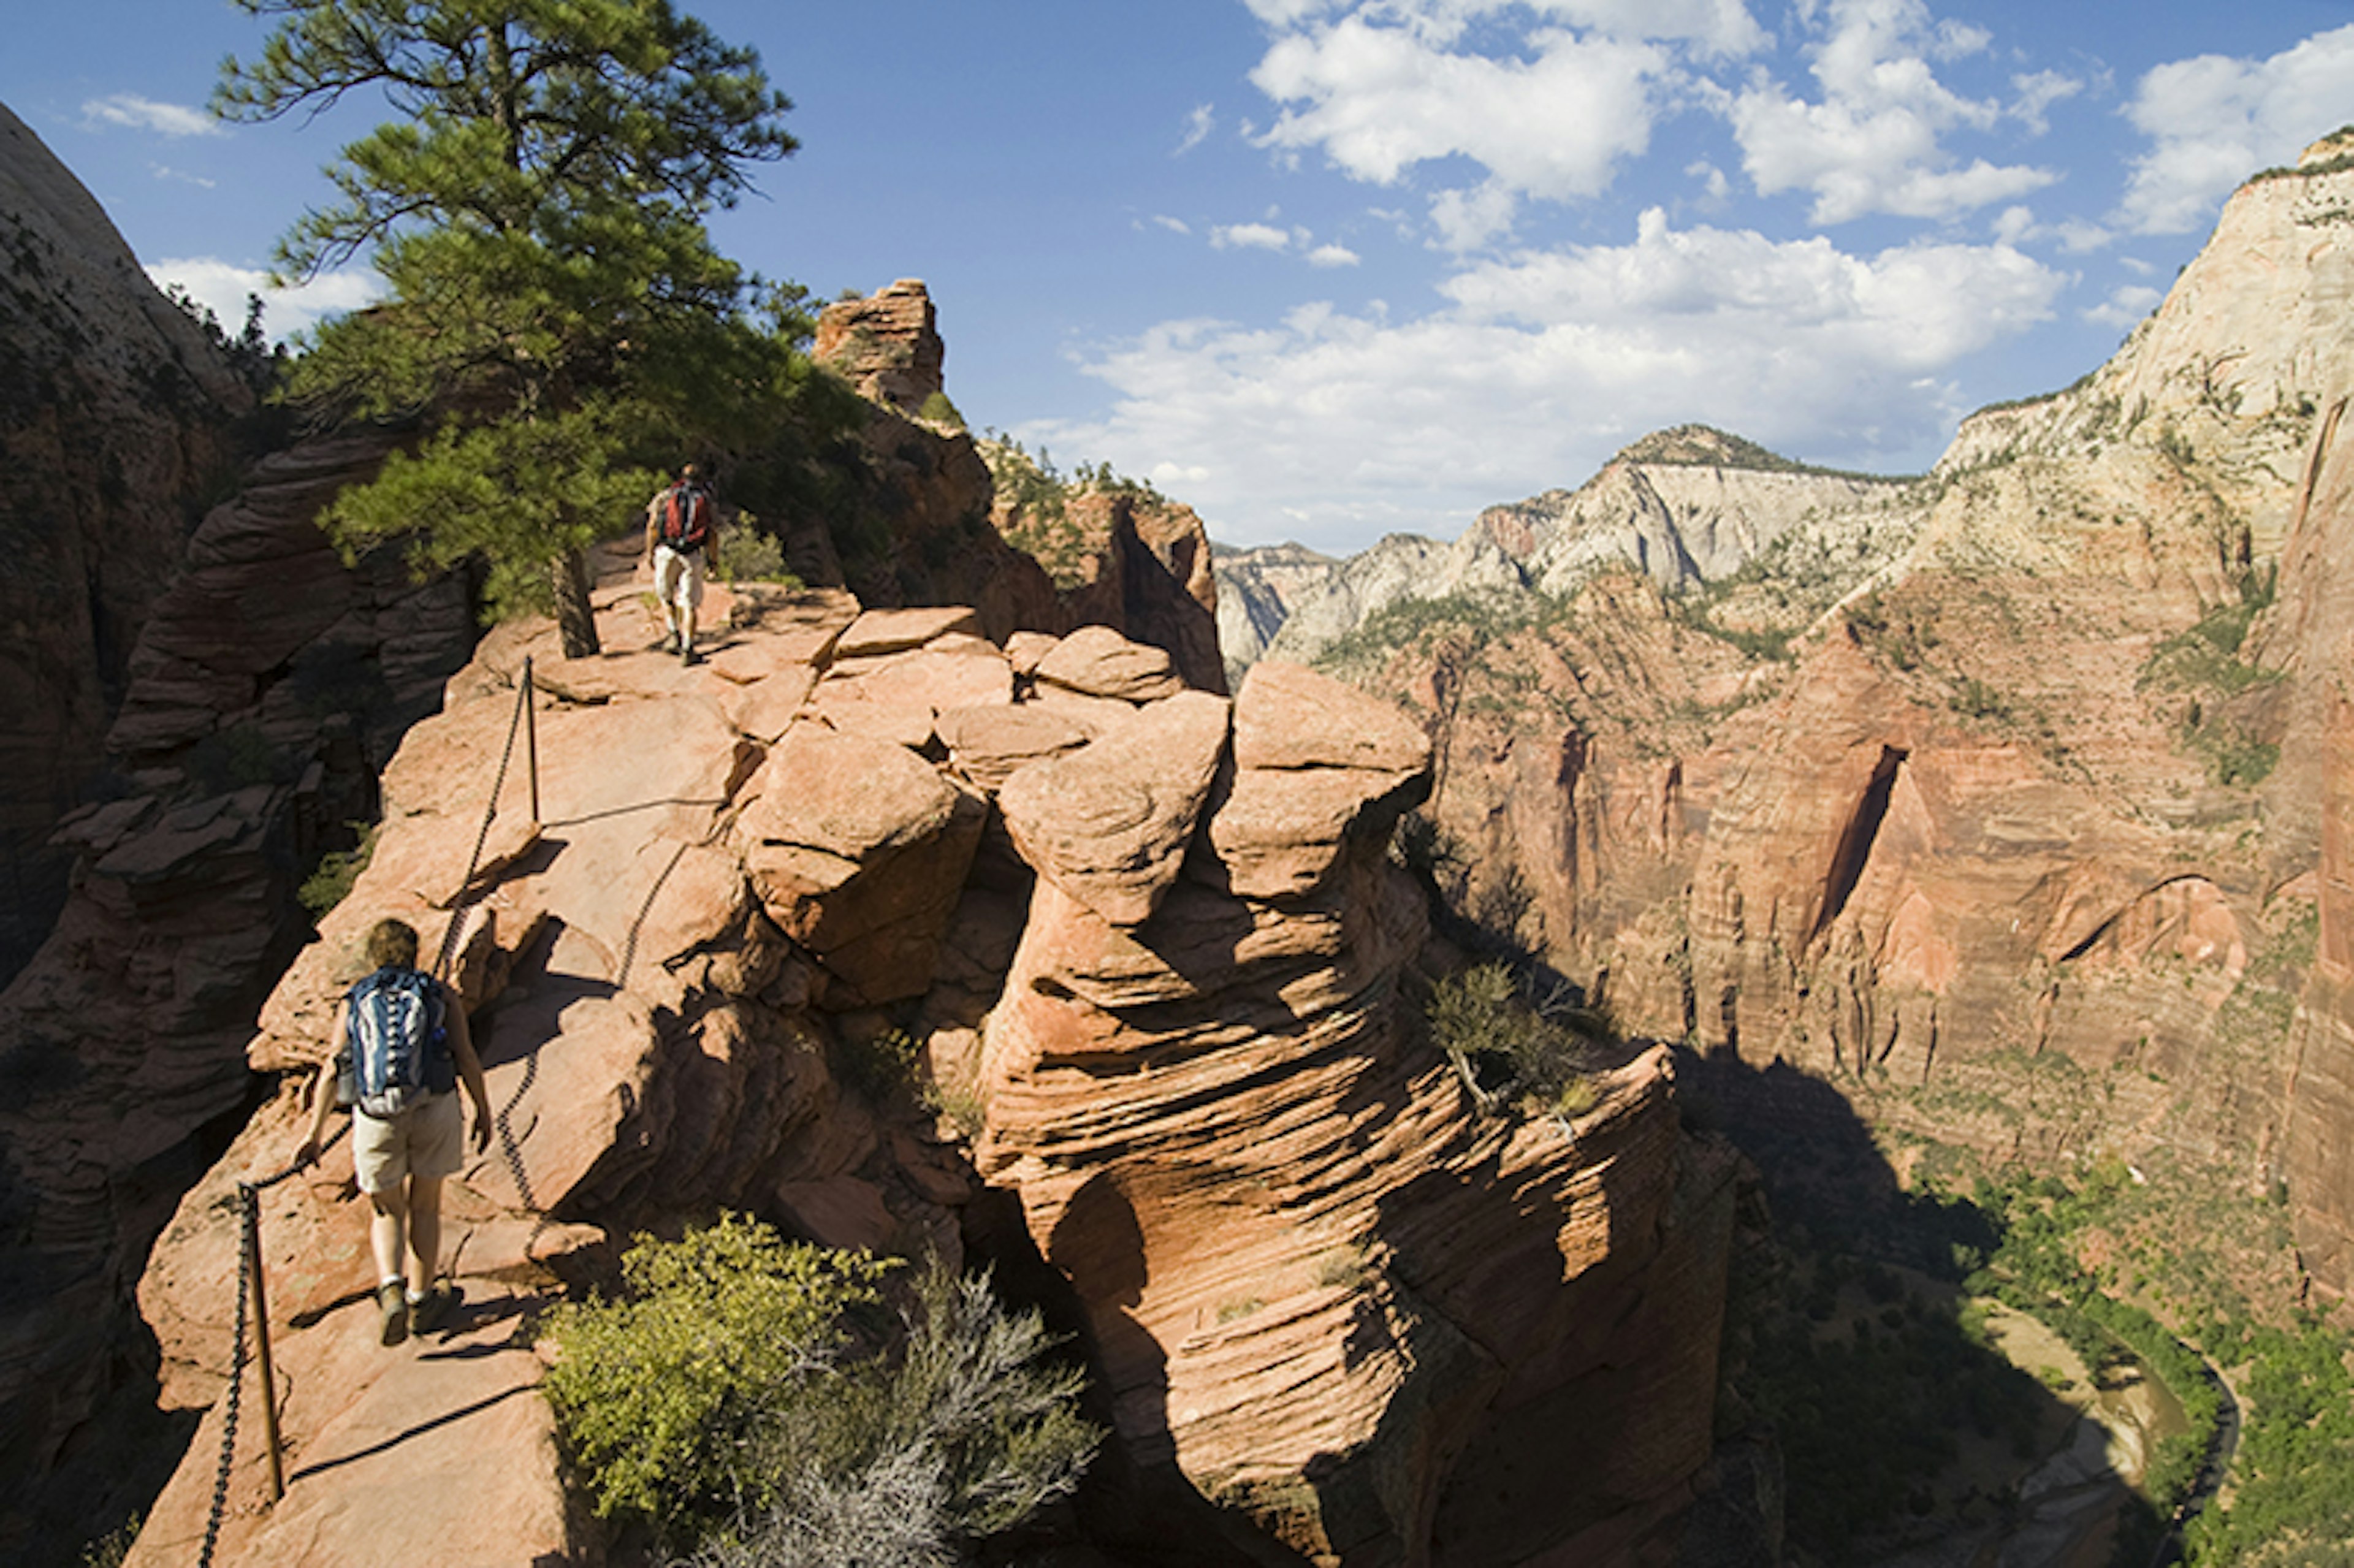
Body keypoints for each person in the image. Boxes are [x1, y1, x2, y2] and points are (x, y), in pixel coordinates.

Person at [296, 918, 493, 1346]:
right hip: (433, 1109)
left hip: (376, 1117)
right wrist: (483, 1109)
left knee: (386, 1210)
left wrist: (314, 1133)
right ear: (414, 953)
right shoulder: (438, 993)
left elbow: (334, 1065)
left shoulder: (356, 999)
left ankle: (391, 1289)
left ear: (373, 957)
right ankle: (423, 1300)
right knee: (425, 1206)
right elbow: (466, 1056)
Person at [642, 462, 720, 666]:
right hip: (692, 555)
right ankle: (688, 648)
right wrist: (713, 561)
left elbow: (652, 526)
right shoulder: (707, 501)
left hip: (667, 551)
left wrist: (650, 553)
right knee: (690, 604)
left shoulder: (666, 496)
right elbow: (712, 534)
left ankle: (672, 632)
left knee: (666, 595)